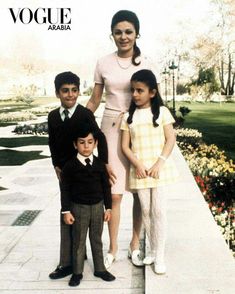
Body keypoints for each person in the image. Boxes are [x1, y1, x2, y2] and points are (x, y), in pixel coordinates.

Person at [86, 10, 160, 268]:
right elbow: (95, 100)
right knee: (114, 194)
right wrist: (78, 124)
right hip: (110, 129)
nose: (123, 36)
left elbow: (154, 99)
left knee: (140, 192)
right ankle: (113, 246)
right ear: (112, 34)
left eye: (128, 31)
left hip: (139, 129)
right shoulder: (103, 62)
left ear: (137, 33)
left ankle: (135, 245)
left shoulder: (147, 62)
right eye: (118, 32)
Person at [48, 71, 108, 279]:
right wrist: (56, 165)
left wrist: (105, 163)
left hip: (82, 174)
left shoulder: (84, 114)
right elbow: (52, 143)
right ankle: (66, 262)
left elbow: (100, 137)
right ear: (57, 93)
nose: (70, 95)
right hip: (65, 174)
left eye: (74, 90)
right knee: (67, 214)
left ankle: (84, 258)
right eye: (65, 91)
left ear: (79, 92)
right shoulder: (53, 116)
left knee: (82, 213)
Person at [121, 69, 178, 274]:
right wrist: (137, 164)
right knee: (145, 211)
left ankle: (160, 256)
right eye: (133, 90)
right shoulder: (128, 117)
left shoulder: (162, 112)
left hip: (159, 170)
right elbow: (125, 146)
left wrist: (159, 163)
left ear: (152, 92)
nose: (135, 95)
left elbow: (170, 139)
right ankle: (152, 251)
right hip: (140, 172)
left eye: (140, 90)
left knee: (159, 211)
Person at [61, 123, 115, 286]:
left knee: (97, 239)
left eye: (90, 142)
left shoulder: (99, 164)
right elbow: (65, 189)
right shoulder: (70, 166)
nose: (86, 146)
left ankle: (100, 269)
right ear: (75, 144)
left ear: (96, 144)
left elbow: (106, 187)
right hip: (79, 208)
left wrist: (109, 207)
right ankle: (77, 273)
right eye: (82, 142)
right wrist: (66, 211)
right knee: (78, 241)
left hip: (98, 207)